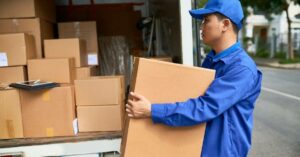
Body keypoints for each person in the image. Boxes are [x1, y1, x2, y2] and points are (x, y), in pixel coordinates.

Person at [125, 0, 262, 156]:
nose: (201, 26)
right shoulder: (211, 60)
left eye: (206, 20)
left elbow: (205, 107)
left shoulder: (241, 69)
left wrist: (151, 110)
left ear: (225, 24)